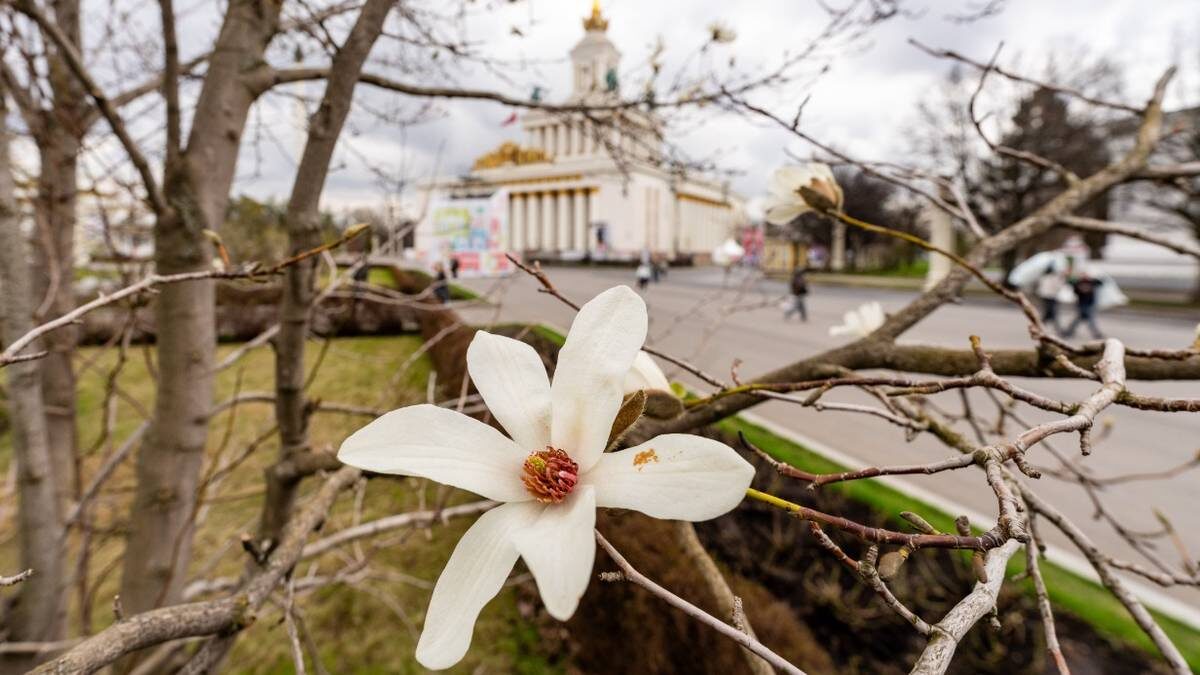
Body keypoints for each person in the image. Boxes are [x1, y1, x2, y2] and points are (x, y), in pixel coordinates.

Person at [1062, 269, 1104, 339]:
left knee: (1087, 320)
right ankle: (1097, 334)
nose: (1084, 276)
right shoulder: (1078, 282)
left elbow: (1101, 282)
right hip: (1081, 303)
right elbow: (1070, 283)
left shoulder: (1091, 281)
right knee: (1086, 320)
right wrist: (1067, 275)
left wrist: (1094, 277)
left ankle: (1068, 332)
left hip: (1090, 303)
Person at [1035, 262, 1065, 333]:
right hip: (1051, 296)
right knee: (1052, 313)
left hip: (1044, 296)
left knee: (1048, 313)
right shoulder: (1054, 278)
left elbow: (1039, 287)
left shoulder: (1043, 277)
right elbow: (1057, 287)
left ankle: (1039, 326)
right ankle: (1058, 330)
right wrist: (1062, 279)